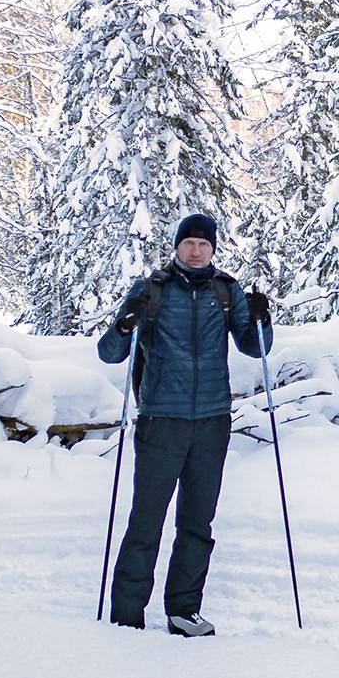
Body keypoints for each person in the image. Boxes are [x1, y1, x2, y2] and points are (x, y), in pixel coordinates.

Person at [98, 213, 272, 637]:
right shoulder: (152, 290)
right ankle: (126, 617)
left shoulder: (225, 290)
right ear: (177, 246)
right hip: (162, 422)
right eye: (189, 243)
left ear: (214, 249)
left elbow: (255, 348)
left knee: (197, 523)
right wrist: (126, 323)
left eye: (204, 244)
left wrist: (263, 319)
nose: (196, 251)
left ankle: (183, 612)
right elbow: (109, 353)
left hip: (212, 423)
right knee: (146, 520)